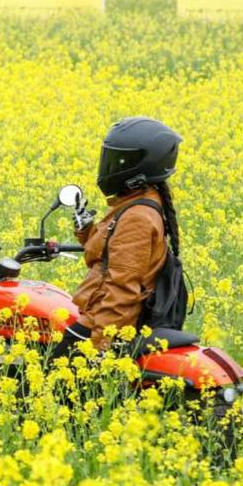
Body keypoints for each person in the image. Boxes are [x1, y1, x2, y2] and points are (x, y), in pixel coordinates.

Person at [55, 117, 185, 357]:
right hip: (100, 314)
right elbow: (113, 255)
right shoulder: (138, 201)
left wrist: (98, 346)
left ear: (140, 168)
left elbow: (122, 288)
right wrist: (87, 230)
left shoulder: (137, 218)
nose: (110, 166)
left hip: (100, 322)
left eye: (119, 160)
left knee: (49, 381)